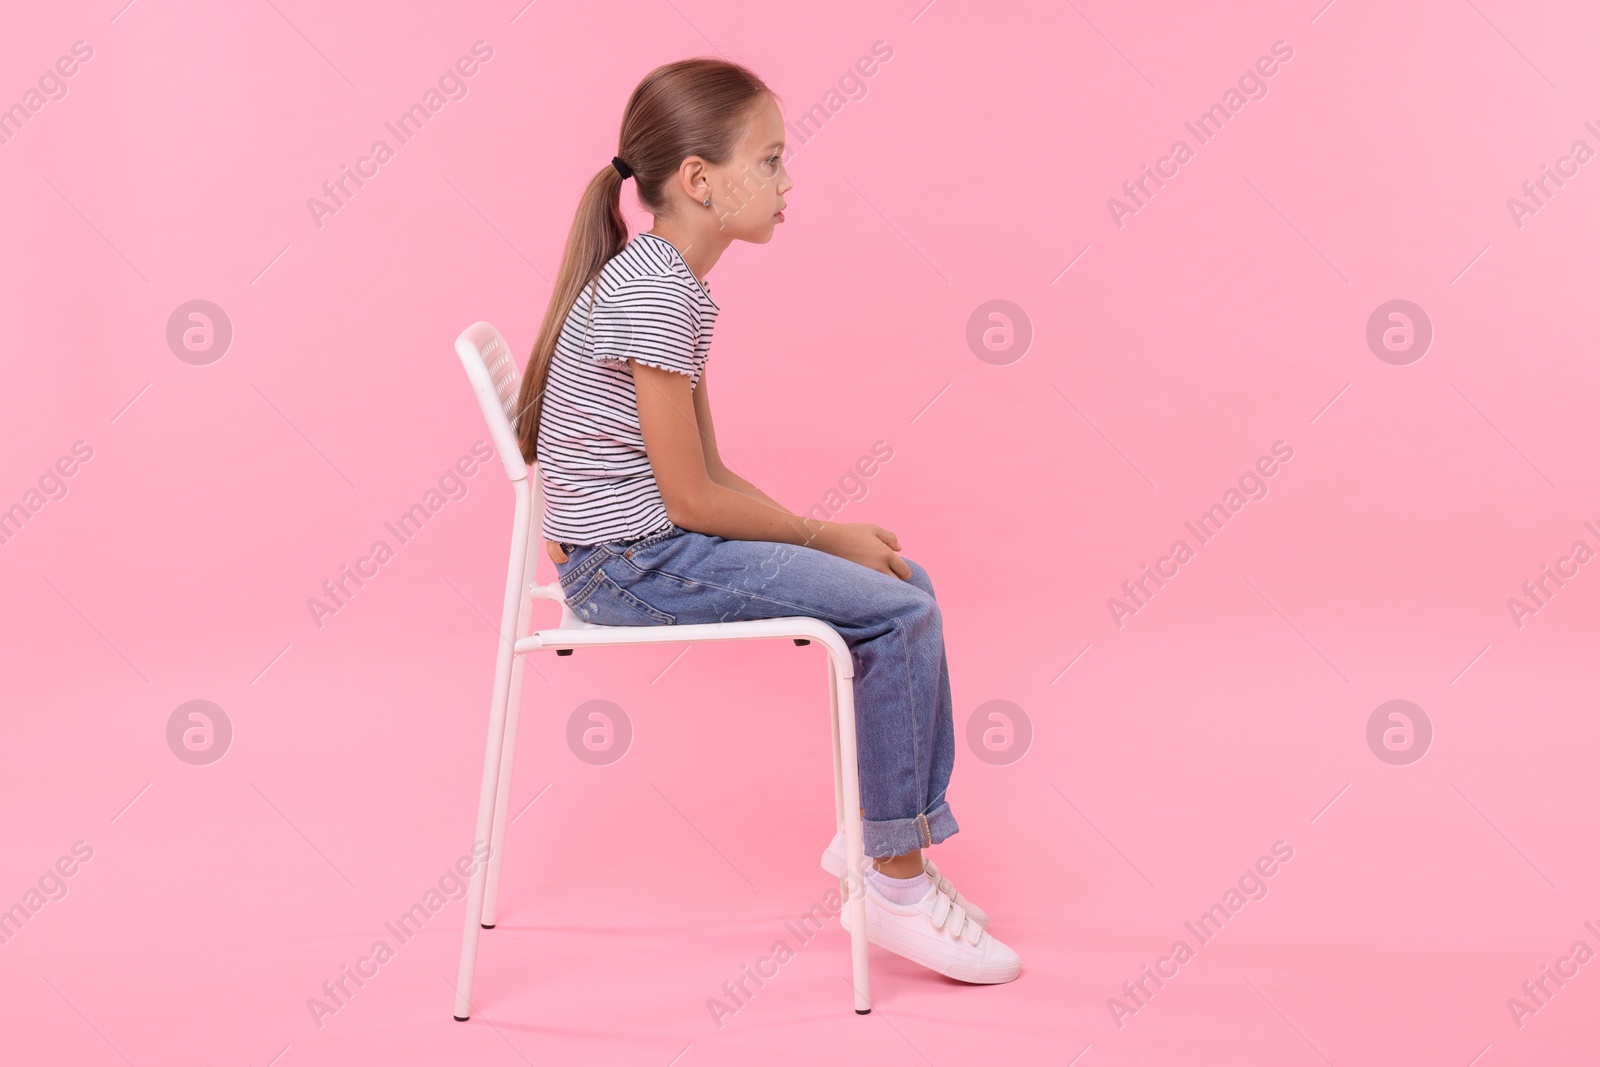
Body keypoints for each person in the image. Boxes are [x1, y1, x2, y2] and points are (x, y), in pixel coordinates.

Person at [510, 57, 1020, 986]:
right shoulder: (657, 293)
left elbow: (704, 475)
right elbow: (693, 501)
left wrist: (829, 532)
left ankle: (879, 841)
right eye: (773, 160)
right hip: (632, 564)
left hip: (642, 550)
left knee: (908, 588)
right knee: (898, 613)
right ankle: (895, 882)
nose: (788, 183)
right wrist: (827, 536)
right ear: (701, 179)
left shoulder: (669, 283)